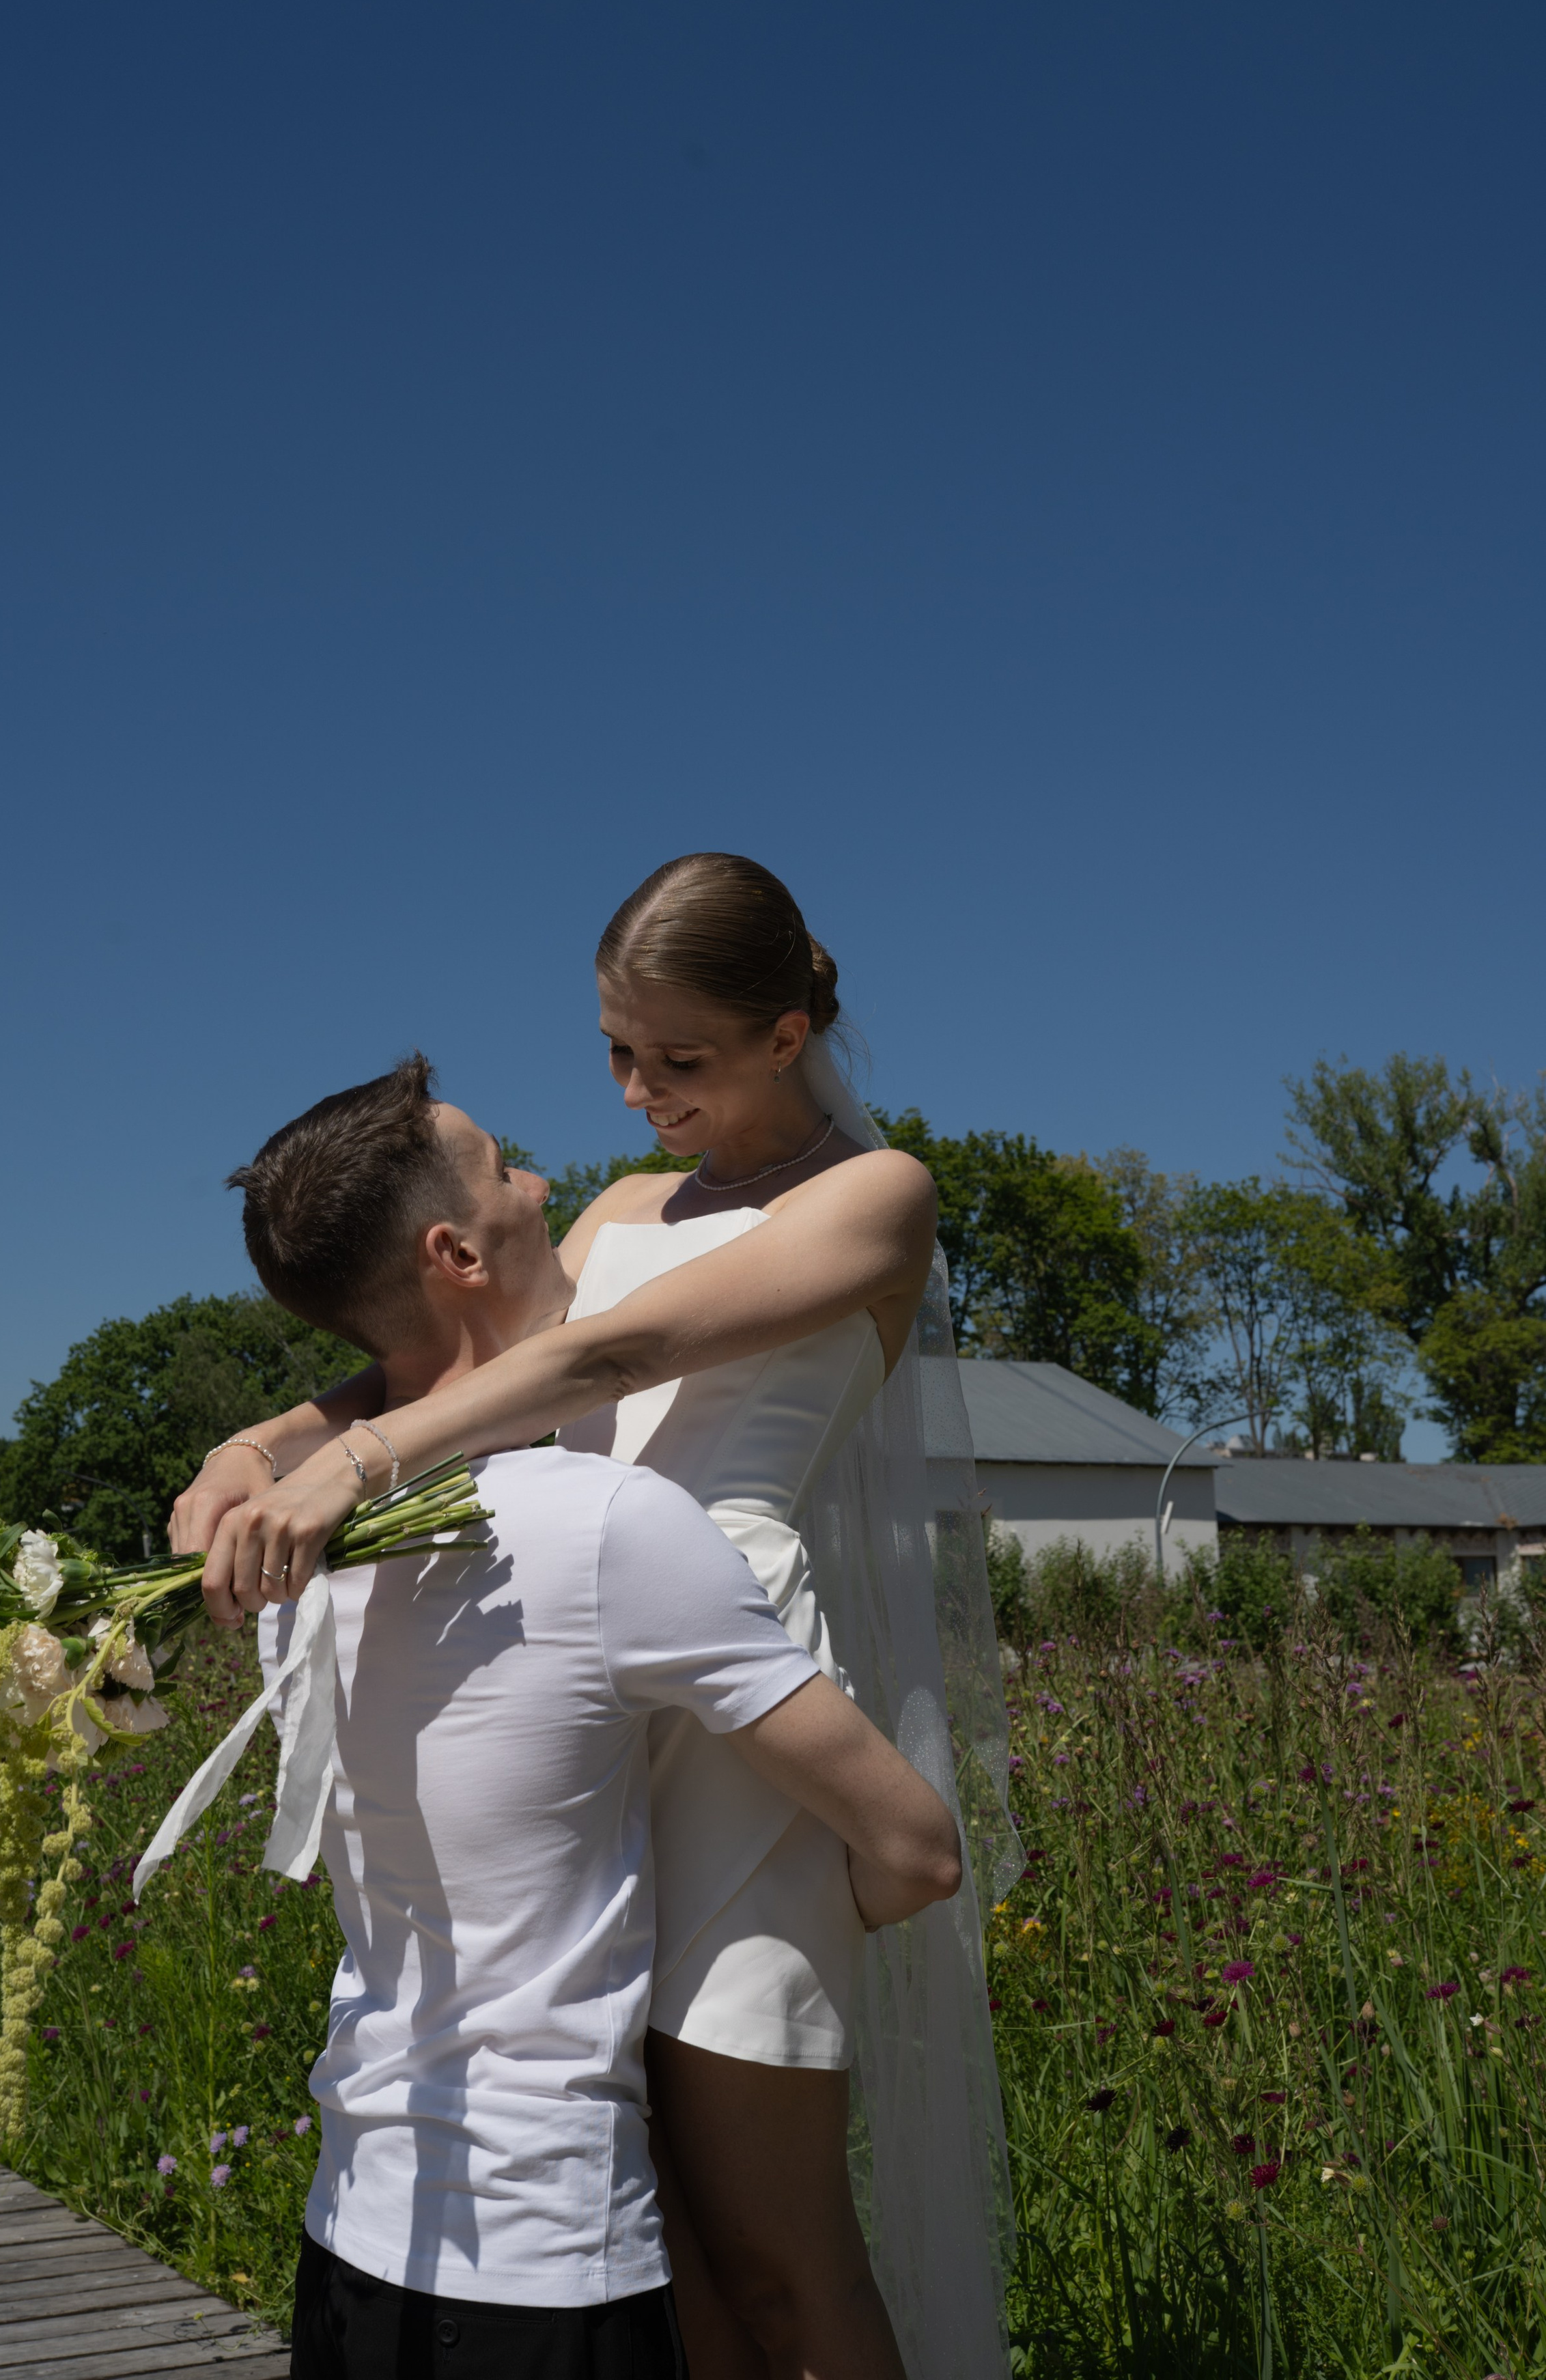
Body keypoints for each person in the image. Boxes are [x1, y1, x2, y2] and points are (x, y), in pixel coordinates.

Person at [172, 855, 1017, 2380]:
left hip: (748, 1714)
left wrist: (354, 1463)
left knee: (780, 2259)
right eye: (615, 1053)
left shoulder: (875, 1199)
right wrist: (251, 1452)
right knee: (661, 2255)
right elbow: (452, 1361)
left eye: (676, 1058)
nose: (634, 1095)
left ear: (784, 1032)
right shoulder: (629, 1200)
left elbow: (601, 1356)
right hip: (596, 1706)